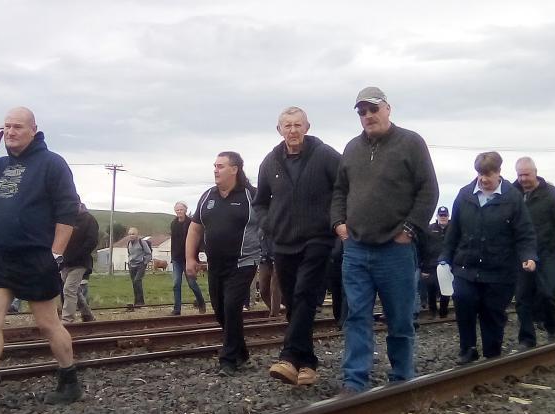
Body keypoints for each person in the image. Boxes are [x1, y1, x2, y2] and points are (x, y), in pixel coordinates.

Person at [0, 106, 82, 414]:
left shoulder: (52, 164)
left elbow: (67, 210)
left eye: (18, 127)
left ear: (33, 130)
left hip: (36, 255)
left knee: (48, 322)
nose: (11, 132)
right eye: (6, 127)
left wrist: (56, 253)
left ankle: (69, 380)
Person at [331, 87, 439, 392]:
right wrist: (339, 223)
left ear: (387, 109)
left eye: (372, 109)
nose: (367, 116)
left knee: (401, 318)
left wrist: (409, 230)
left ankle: (402, 378)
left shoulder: (411, 143)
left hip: (396, 249)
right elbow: (340, 190)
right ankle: (355, 380)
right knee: (355, 316)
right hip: (356, 249)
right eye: (362, 112)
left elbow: (428, 190)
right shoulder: (352, 148)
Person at [254, 106, 341, 386]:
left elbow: (345, 188)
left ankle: (289, 355)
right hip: (283, 242)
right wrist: (270, 225)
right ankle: (308, 363)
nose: (293, 130)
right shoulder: (270, 162)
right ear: (279, 130)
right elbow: (260, 202)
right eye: (287, 126)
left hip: (318, 238)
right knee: (294, 302)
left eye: (297, 125)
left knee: (305, 295)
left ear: (307, 127)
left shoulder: (326, 155)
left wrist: (335, 221)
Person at [440, 152, 537, 364]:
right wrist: (445, 257)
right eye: (479, 174)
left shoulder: (512, 198)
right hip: (466, 265)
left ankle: (492, 354)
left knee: (492, 312)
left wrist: (528, 256)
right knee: (464, 302)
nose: (483, 179)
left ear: (499, 172)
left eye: (488, 174)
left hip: (499, 269)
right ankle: (468, 349)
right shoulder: (465, 195)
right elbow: (454, 230)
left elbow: (524, 233)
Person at [187, 151, 261, 376]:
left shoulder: (252, 196)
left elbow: (269, 223)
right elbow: (195, 228)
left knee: (231, 307)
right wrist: (190, 258)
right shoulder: (208, 196)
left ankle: (227, 360)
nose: (215, 170)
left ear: (234, 169)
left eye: (220, 166)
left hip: (244, 262)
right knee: (221, 311)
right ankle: (243, 354)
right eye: (214, 166)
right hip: (215, 265)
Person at [512, 157, 555, 348]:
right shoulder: (512, 194)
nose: (523, 178)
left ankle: (552, 326)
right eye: (519, 174)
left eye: (526, 174)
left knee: (547, 293)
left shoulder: (552, 194)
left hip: (545, 252)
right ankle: (527, 338)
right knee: (522, 296)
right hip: (520, 253)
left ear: (535, 172)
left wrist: (551, 246)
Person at [60, 202, 98, 323]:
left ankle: (67, 319)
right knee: (74, 290)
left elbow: (92, 241)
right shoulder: (65, 218)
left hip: (80, 262)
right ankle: (87, 315)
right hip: (65, 262)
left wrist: (78, 254)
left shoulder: (89, 220)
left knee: (69, 289)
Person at [170, 202, 206, 315]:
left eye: (181, 209)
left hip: (189, 258)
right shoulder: (173, 224)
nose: (179, 212)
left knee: (192, 284)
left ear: (185, 210)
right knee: (176, 283)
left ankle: (201, 302)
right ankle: (177, 309)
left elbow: (197, 239)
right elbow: (174, 241)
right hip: (177, 258)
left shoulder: (191, 223)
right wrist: (173, 256)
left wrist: (196, 258)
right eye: (177, 210)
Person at [424, 206, 451, 318]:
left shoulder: (454, 228)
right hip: (432, 264)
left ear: (448, 216)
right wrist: (424, 267)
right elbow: (424, 248)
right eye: (441, 215)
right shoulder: (429, 229)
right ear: (437, 216)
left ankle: (443, 311)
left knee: (446, 289)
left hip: (448, 264)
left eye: (445, 215)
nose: (443, 217)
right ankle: (432, 310)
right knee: (431, 287)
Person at [126, 227, 151, 306]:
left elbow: (148, 253)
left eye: (133, 234)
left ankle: (140, 302)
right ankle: (137, 301)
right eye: (130, 234)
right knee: (134, 283)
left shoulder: (142, 242)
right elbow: (129, 254)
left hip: (140, 264)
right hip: (132, 265)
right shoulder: (129, 243)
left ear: (137, 235)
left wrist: (144, 262)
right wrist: (129, 263)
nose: (131, 236)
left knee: (137, 281)